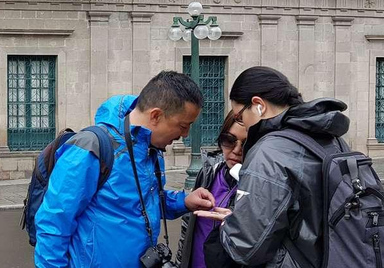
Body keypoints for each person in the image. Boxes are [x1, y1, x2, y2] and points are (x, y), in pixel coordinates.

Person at [34, 71, 216, 268]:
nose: (185, 134)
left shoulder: (151, 148)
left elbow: (144, 203)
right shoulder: (91, 148)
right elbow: (53, 224)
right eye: (183, 125)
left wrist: (184, 201)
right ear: (156, 115)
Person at [197, 66, 349, 268]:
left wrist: (231, 226)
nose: (243, 124)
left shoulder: (269, 151)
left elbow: (245, 247)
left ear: (258, 105)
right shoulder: (333, 140)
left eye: (240, 117)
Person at [175, 110, 246, 268]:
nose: (236, 150)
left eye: (246, 144)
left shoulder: (257, 187)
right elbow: (188, 227)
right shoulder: (208, 173)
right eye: (229, 140)